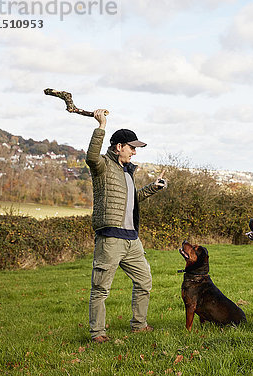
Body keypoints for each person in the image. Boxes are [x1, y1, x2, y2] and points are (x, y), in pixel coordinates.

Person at [87, 109, 166, 343]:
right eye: (132, 147)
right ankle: (97, 333)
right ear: (119, 146)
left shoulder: (127, 172)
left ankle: (139, 325)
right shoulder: (102, 167)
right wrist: (101, 126)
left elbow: (131, 201)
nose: (134, 151)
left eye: (136, 148)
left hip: (132, 240)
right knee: (101, 288)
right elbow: (91, 156)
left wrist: (154, 187)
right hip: (111, 238)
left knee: (144, 281)